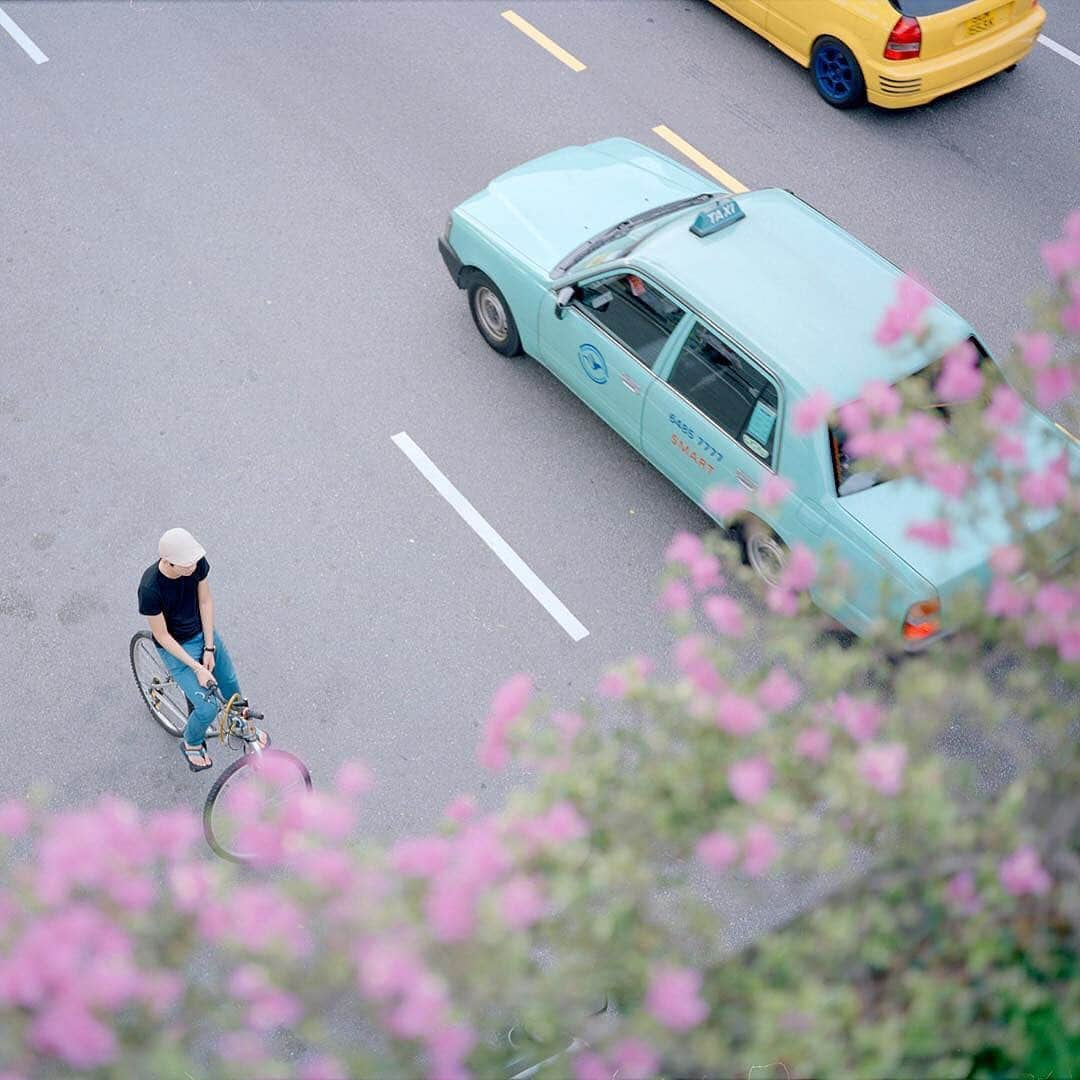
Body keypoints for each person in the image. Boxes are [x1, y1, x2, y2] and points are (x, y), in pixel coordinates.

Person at [137, 527, 265, 771]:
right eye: (186, 564)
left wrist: (209, 647)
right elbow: (161, 636)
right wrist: (197, 667)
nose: (192, 567)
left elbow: (205, 601)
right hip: (176, 648)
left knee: (229, 682)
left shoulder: (196, 565)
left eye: (194, 561)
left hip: (203, 634)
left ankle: (237, 722)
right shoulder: (150, 590)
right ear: (168, 561)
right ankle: (192, 742)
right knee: (207, 708)